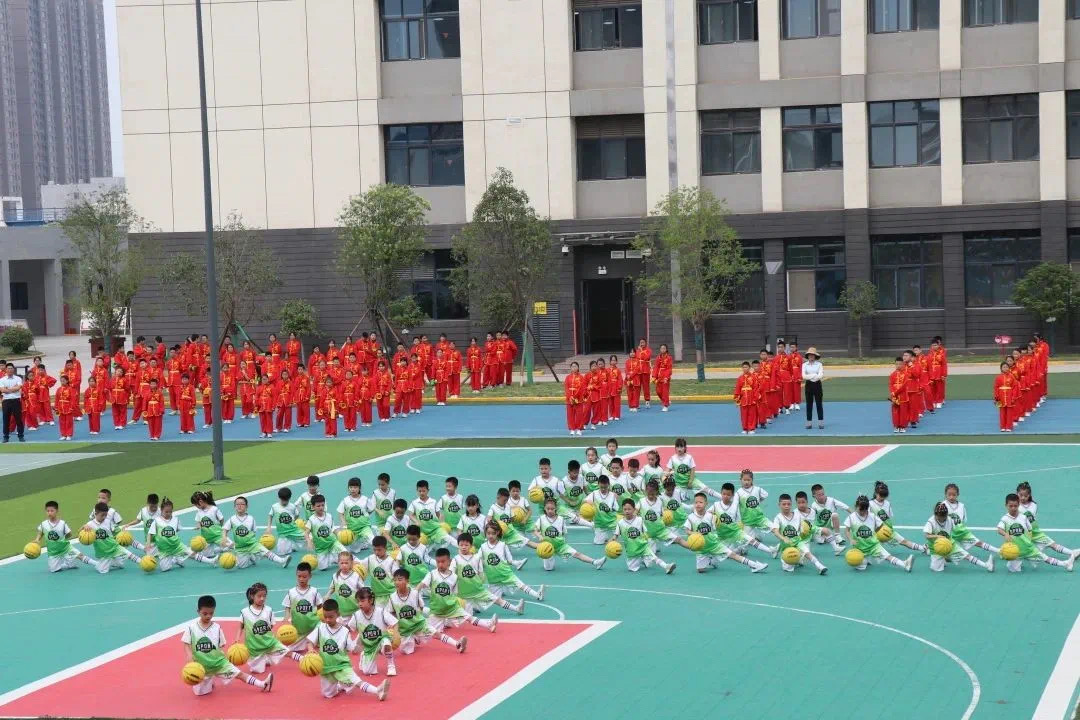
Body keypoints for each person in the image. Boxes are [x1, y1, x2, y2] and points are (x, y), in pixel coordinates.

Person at [184, 595, 273, 696]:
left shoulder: (217, 628)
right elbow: (186, 643)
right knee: (200, 693)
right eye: (205, 613)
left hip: (219, 663)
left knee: (239, 674)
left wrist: (227, 657)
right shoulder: (191, 628)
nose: (208, 616)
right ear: (198, 611)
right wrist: (189, 655)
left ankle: (263, 684)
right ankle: (209, 681)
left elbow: (221, 647)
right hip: (202, 667)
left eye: (211, 613)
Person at [306, 598, 389, 700]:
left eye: (331, 617)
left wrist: (367, 647)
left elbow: (353, 648)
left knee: (356, 681)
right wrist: (310, 649)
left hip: (342, 665)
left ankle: (378, 690)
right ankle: (341, 685)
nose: (327, 620)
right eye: (325, 617)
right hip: (326, 668)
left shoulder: (344, 632)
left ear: (338, 614)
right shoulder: (320, 628)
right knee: (328, 695)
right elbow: (309, 642)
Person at [388, 568, 468, 655]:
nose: (396, 582)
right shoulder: (392, 597)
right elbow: (391, 613)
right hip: (405, 629)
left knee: (436, 633)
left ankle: (457, 644)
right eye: (395, 580)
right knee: (406, 651)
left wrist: (416, 618)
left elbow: (421, 607)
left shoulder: (415, 594)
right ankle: (415, 638)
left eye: (400, 580)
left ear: (407, 581)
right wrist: (395, 628)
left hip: (419, 624)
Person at [997, 493, 1074, 573]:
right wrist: (1005, 534)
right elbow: (999, 529)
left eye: (1015, 506)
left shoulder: (1023, 517)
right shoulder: (1005, 519)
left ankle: (1066, 563)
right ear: (1006, 505)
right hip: (1015, 552)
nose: (1013, 508)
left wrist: (1028, 540)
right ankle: (1023, 562)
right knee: (1013, 570)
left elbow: (1030, 529)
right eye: (1010, 506)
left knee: (1045, 558)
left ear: (1019, 505)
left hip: (1028, 549)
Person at [843, 495, 913, 572]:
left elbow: (881, 525)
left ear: (867, 508)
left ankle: (905, 564)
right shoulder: (851, 517)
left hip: (873, 545)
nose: (862, 512)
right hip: (859, 547)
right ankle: (865, 560)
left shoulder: (872, 516)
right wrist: (851, 539)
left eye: (864, 510)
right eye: (860, 510)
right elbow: (847, 530)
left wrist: (875, 532)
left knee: (887, 556)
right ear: (856, 506)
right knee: (861, 566)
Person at [923, 502, 994, 573]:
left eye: (943, 518)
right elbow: (927, 535)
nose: (942, 520)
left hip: (949, 544)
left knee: (966, 556)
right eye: (939, 518)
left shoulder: (950, 520)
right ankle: (945, 558)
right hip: (936, 549)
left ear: (947, 515)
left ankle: (987, 565)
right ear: (935, 514)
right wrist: (938, 536)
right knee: (935, 569)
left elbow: (954, 532)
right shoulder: (931, 522)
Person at [223, 496, 291, 568]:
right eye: (237, 504)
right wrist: (224, 537)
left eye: (242, 504)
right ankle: (252, 557)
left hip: (252, 544)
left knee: (265, 552)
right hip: (240, 548)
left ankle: (282, 560)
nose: (239, 506)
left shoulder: (251, 519)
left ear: (246, 506)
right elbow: (225, 529)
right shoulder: (232, 519)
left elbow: (253, 532)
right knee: (242, 566)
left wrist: (249, 541)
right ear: (234, 506)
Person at [770, 494, 828, 575]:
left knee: (807, 552)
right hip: (786, 548)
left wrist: (815, 530)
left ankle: (820, 566)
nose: (786, 506)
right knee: (789, 568)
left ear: (791, 504)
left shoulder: (797, 516)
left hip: (798, 542)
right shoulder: (778, 518)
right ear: (779, 505)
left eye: (788, 504)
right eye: (784, 504)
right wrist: (783, 538)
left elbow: (806, 526)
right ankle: (781, 552)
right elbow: (775, 531)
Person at [32, 500, 96, 572]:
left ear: (57, 511)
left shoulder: (62, 523)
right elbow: (40, 532)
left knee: (80, 556)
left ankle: (97, 564)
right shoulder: (44, 524)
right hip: (53, 552)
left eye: (52, 511)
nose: (49, 513)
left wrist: (63, 538)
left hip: (66, 548)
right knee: (54, 570)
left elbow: (69, 534)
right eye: (48, 511)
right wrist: (37, 539)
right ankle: (66, 563)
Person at [616, 499, 674, 574]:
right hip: (632, 551)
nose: (627, 511)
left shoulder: (639, 520)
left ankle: (666, 566)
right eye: (625, 509)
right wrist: (612, 540)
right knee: (632, 568)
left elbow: (645, 532)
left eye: (629, 509)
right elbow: (616, 535)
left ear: (634, 509)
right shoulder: (620, 523)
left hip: (643, 546)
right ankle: (642, 560)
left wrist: (649, 540)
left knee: (654, 557)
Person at [282, 562, 322, 653]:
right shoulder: (291, 592)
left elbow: (320, 608)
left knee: (322, 626)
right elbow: (287, 607)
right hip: (298, 631)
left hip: (313, 628)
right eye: (299, 576)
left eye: (304, 577)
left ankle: (314, 641)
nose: (301, 579)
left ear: (310, 576)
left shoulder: (314, 591)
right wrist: (286, 618)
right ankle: (311, 642)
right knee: (287, 649)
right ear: (296, 575)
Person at [2, 363, 26, 443]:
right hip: (6, 401)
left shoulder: (18, 378)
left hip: (16, 400)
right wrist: (13, 389)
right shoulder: (2, 380)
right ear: (6, 370)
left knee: (18, 419)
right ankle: (6, 437)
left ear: (13, 369)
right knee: (6, 420)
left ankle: (21, 436)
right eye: (8, 368)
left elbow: (18, 388)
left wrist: (8, 389)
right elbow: (2, 390)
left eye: (11, 368)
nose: (10, 370)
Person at [802, 347, 824, 429]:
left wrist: (812, 376)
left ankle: (821, 423)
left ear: (815, 356)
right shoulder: (804, 365)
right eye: (809, 355)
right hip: (808, 385)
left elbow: (820, 375)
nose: (811, 356)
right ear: (807, 356)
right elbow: (804, 376)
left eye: (812, 355)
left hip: (817, 384)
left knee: (819, 404)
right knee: (809, 404)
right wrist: (814, 375)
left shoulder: (819, 364)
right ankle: (809, 423)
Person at [734, 361, 757, 434]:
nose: (745, 369)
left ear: (749, 368)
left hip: (751, 398)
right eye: (743, 367)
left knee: (751, 414)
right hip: (743, 399)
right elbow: (737, 389)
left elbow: (756, 388)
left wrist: (755, 398)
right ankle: (745, 428)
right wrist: (737, 400)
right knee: (744, 415)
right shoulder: (740, 378)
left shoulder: (753, 377)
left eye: (746, 367)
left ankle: (751, 428)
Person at [993, 361, 1016, 432]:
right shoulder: (998, 377)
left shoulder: (1012, 377)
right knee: (1002, 412)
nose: (1005, 368)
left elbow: (1014, 387)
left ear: (1009, 368)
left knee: (1009, 412)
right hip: (1001, 396)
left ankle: (1009, 427)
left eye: (1006, 367)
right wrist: (996, 397)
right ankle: (1002, 426)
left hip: (1009, 395)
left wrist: (1013, 396)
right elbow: (996, 387)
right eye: (1004, 367)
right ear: (1001, 368)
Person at [888, 356, 908, 433]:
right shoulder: (892, 374)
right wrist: (892, 392)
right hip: (894, 397)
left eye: (900, 364)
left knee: (903, 412)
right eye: (896, 364)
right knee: (895, 411)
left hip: (903, 396)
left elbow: (904, 386)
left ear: (903, 364)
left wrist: (895, 393)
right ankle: (896, 426)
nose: (898, 366)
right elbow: (891, 385)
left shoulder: (906, 374)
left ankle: (902, 426)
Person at [652, 343, 673, 411]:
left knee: (665, 392)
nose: (662, 349)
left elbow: (669, 368)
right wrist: (654, 376)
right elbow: (656, 367)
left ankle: (665, 405)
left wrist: (666, 377)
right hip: (659, 377)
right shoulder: (658, 358)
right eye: (661, 348)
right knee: (658, 391)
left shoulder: (669, 358)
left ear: (666, 349)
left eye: (664, 348)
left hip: (665, 377)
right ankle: (666, 401)